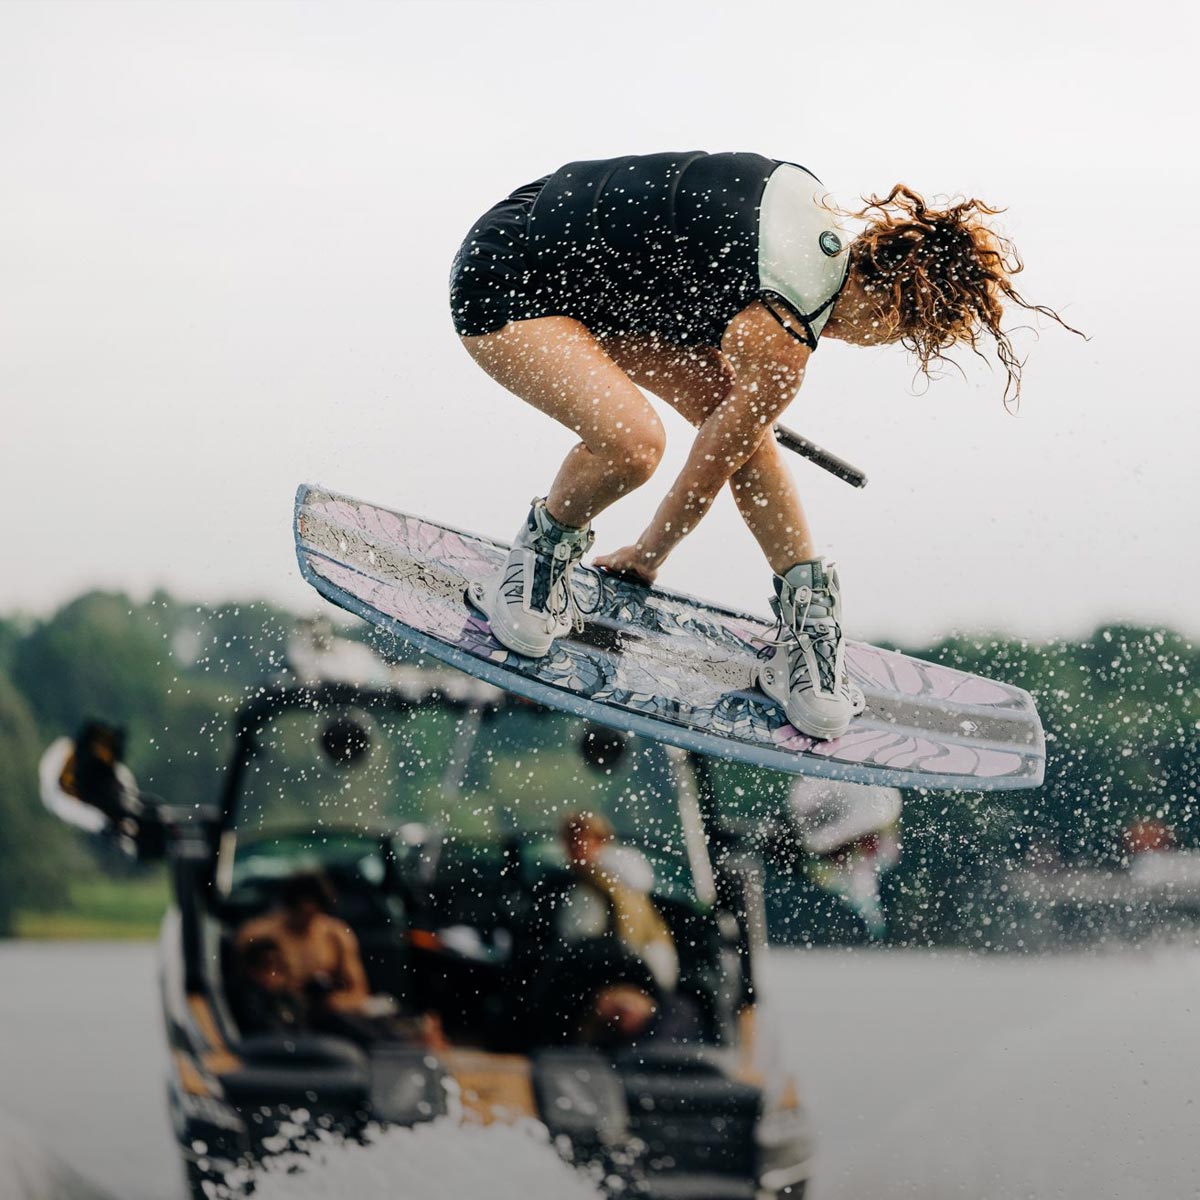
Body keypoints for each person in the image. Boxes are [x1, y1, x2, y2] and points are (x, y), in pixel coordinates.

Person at [450, 152, 1077, 739]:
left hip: (607, 289)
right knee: (634, 445)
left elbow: (731, 441)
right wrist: (646, 555)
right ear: (892, 311)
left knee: (741, 426)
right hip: (510, 274)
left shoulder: (818, 236)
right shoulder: (783, 331)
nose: (877, 345)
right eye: (901, 337)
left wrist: (741, 412)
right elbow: (704, 474)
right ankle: (540, 557)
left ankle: (807, 614)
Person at [557, 810, 701, 1046]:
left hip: (628, 974)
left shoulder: (599, 887)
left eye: (579, 840)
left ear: (600, 841)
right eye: (569, 841)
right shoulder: (621, 885)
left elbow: (581, 941)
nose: (573, 848)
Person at [235, 871, 372, 1024]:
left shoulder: (336, 935)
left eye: (313, 914)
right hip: (277, 1015)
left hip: (325, 1017)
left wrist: (334, 1002)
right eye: (302, 912)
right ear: (290, 907)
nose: (307, 921)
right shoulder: (258, 933)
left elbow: (359, 991)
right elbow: (242, 987)